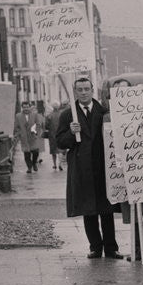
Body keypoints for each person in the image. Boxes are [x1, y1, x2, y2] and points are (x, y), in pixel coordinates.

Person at [55, 77, 123, 259]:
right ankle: (95, 246)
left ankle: (111, 247)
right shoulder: (68, 115)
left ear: (92, 90)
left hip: (103, 167)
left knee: (106, 210)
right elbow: (60, 142)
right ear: (75, 92)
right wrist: (71, 132)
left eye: (87, 89)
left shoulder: (104, 112)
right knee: (89, 210)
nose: (84, 92)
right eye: (80, 89)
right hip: (82, 168)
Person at [14, 102, 42, 173]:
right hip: (24, 137)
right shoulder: (18, 116)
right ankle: (29, 168)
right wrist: (18, 134)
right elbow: (16, 127)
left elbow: (38, 124)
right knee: (27, 154)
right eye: (24, 107)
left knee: (35, 152)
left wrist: (36, 132)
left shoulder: (34, 114)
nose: (25, 109)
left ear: (29, 107)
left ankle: (34, 163)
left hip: (33, 136)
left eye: (27, 107)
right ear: (22, 107)